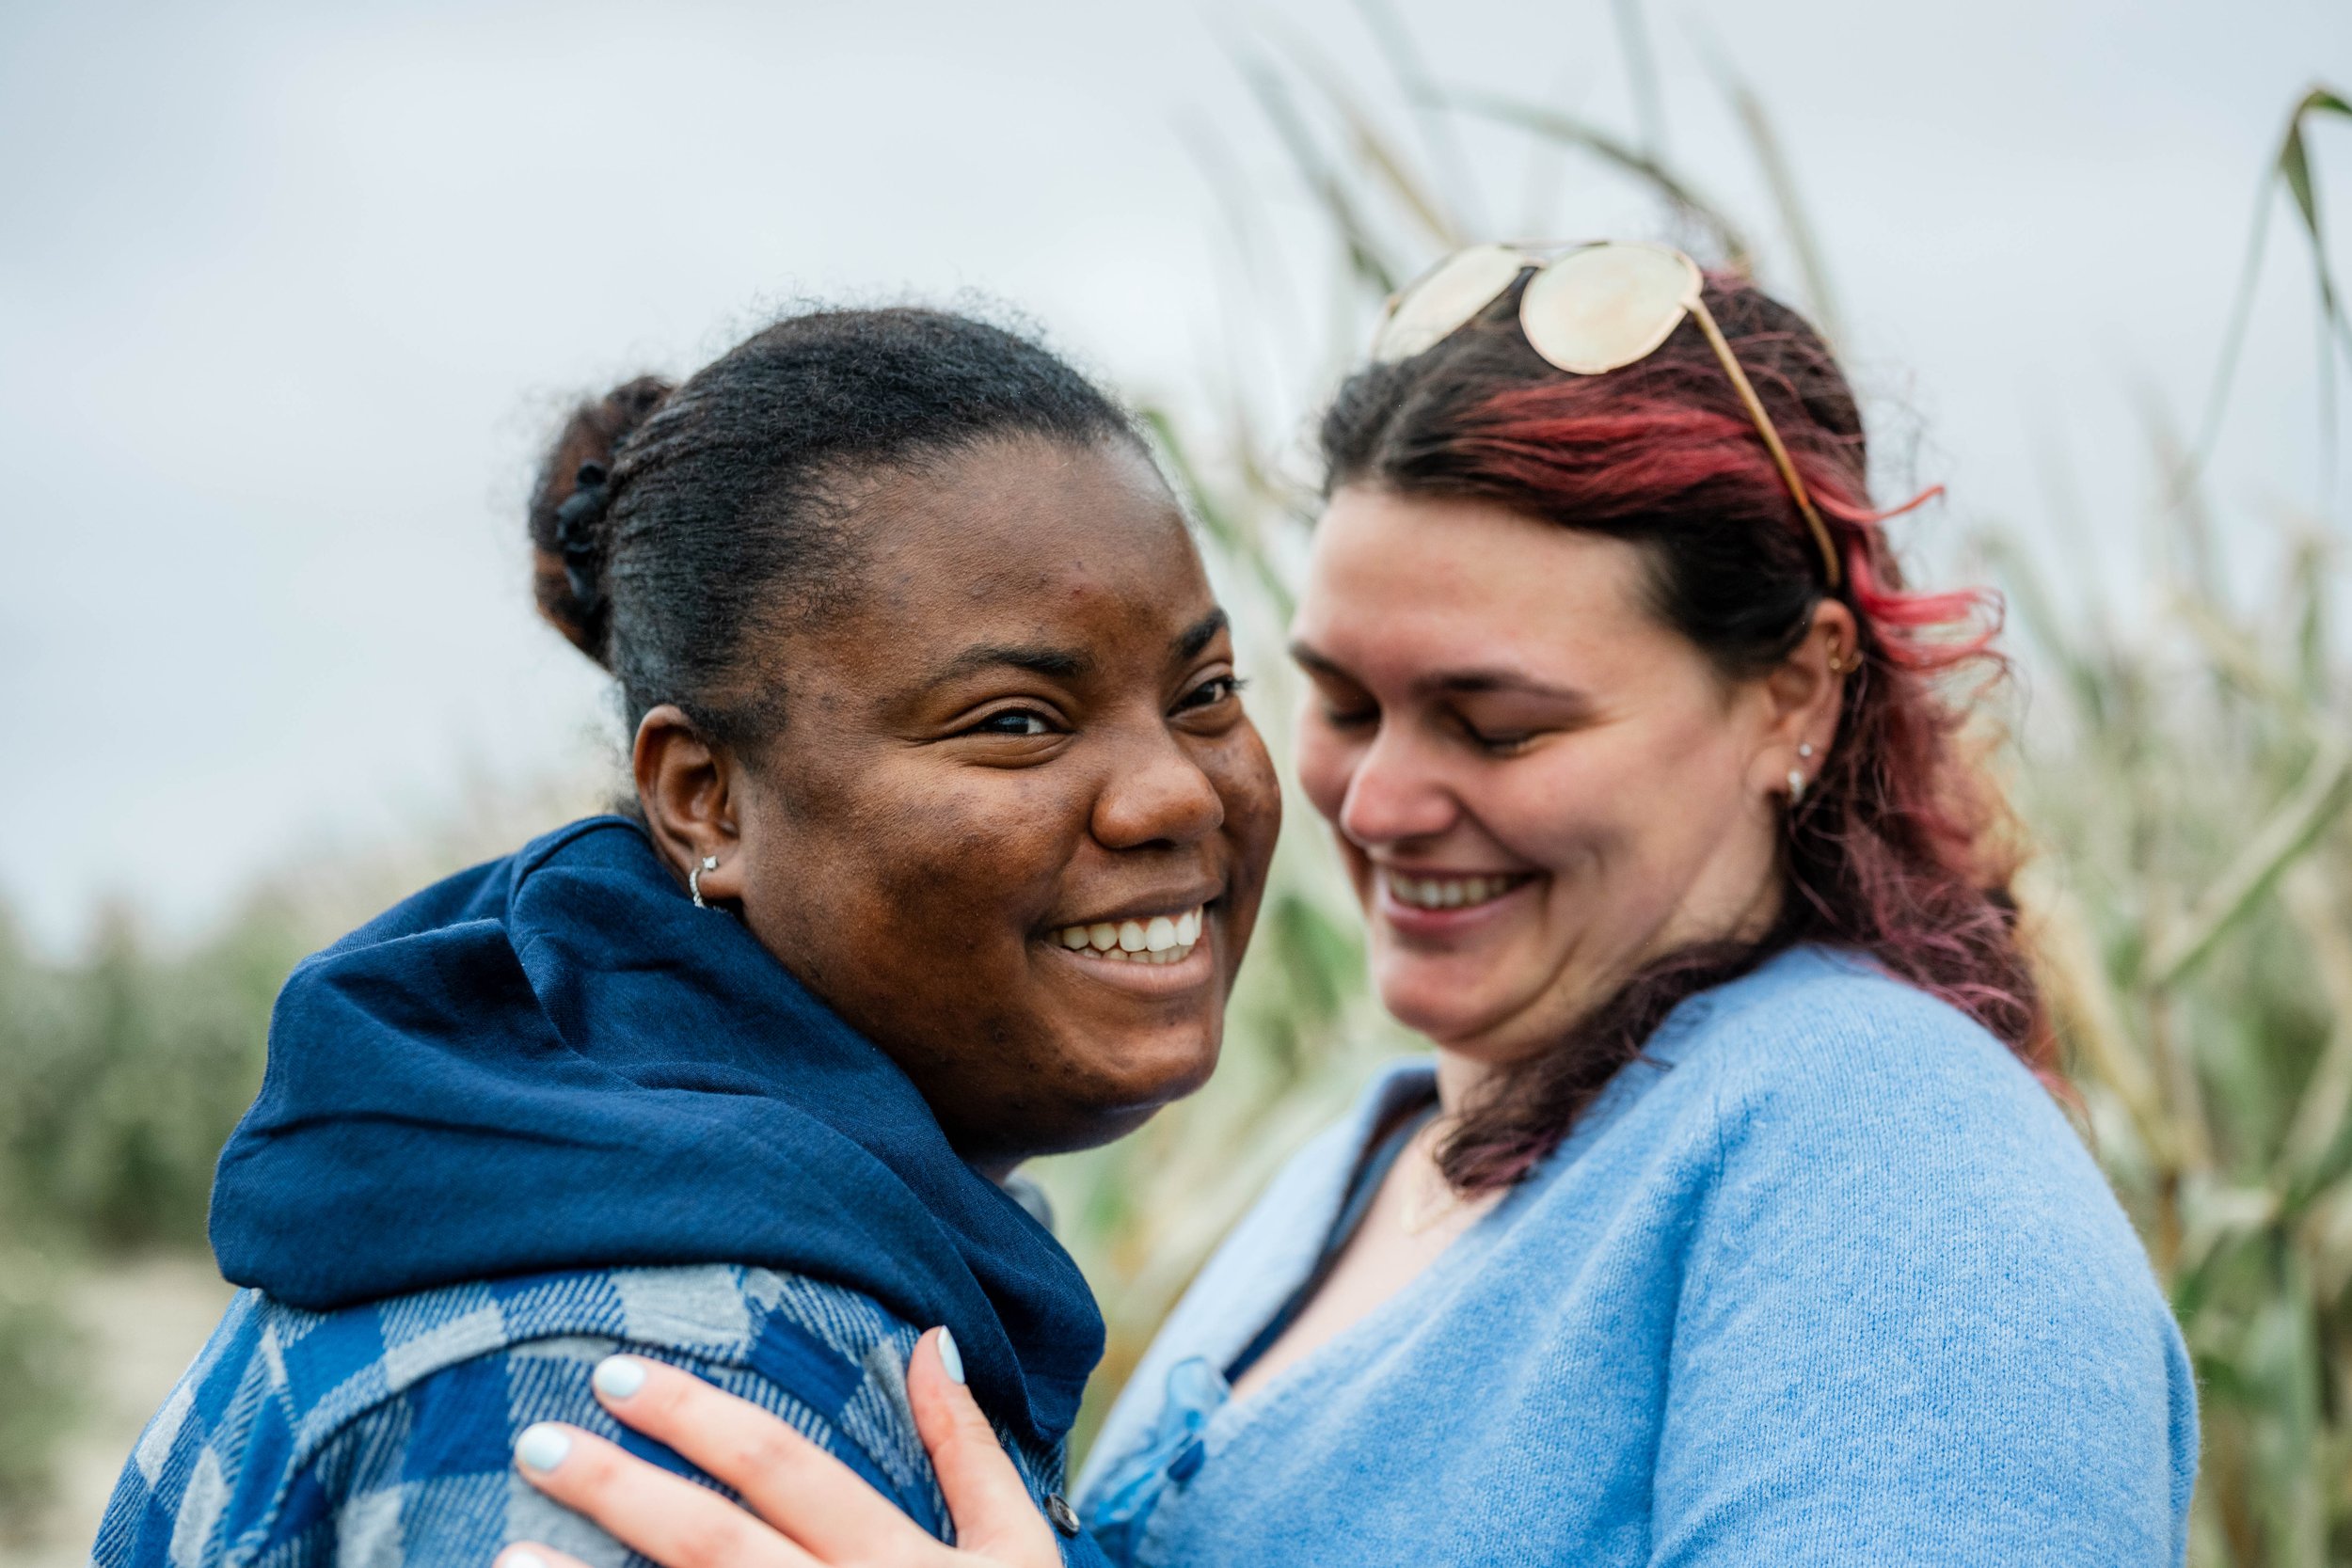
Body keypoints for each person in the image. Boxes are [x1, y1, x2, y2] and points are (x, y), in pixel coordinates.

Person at [496, 247, 2198, 1566]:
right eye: (1338, 702)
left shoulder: (1887, 1171)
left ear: (1792, 698)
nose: (1374, 804)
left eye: (1499, 720)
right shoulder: (1364, 1160)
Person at [91, 307, 1280, 1568]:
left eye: (1204, 695)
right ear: (704, 797)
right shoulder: (651, 1402)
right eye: (1018, 721)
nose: (1177, 793)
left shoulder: (720, 1204)